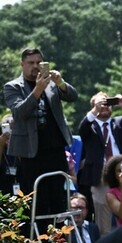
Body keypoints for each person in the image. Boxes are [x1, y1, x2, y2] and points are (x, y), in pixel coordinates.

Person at [3, 48, 78, 230]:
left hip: (56, 150)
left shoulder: (51, 83)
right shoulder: (13, 87)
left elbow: (73, 96)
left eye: (38, 62)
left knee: (59, 201)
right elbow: (20, 112)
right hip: (30, 153)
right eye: (31, 63)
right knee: (37, 201)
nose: (35, 67)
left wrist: (60, 82)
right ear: (22, 64)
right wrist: (38, 90)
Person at [76, 91, 122, 235]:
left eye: (107, 103)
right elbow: (82, 129)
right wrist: (95, 109)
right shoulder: (90, 126)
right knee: (104, 215)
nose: (105, 106)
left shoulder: (118, 123)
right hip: (101, 175)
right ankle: (106, 241)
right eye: (100, 103)